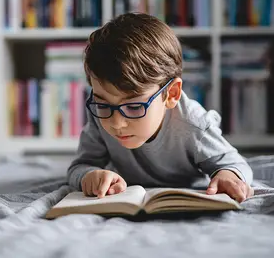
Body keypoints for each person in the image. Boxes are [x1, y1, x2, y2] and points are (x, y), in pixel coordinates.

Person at [67, 13, 253, 203]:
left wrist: (228, 175)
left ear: (171, 94)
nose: (116, 122)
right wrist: (89, 176)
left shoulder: (194, 126)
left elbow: (236, 164)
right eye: (103, 104)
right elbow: (79, 167)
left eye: (133, 106)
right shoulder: (100, 115)